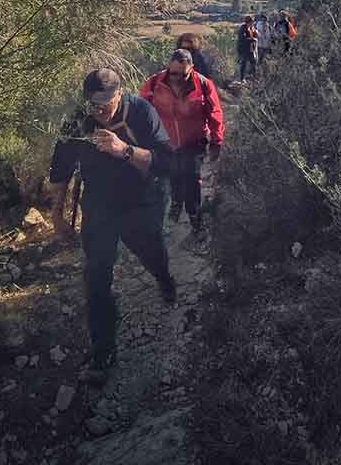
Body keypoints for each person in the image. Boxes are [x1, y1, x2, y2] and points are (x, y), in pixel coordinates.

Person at [49, 68, 176, 386]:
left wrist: (125, 151)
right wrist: (57, 214)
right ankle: (103, 351)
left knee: (151, 251)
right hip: (99, 206)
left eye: (106, 101)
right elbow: (61, 169)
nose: (100, 109)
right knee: (96, 276)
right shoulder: (79, 121)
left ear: (120, 93)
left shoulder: (141, 112)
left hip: (141, 201)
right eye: (94, 103)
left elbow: (165, 162)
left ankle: (164, 278)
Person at [140, 49, 224, 232]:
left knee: (192, 177)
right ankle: (177, 202)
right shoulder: (154, 84)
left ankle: (194, 215)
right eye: (173, 73)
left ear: (192, 68)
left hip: (194, 140)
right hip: (166, 141)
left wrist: (216, 141)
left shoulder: (203, 84)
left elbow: (215, 114)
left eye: (182, 74)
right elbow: (142, 111)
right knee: (174, 174)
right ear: (168, 68)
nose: (177, 78)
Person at [237, 14, 258, 81]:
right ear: (249, 21)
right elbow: (242, 38)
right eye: (252, 21)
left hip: (251, 48)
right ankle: (242, 78)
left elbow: (255, 36)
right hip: (244, 49)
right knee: (244, 64)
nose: (253, 23)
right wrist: (252, 39)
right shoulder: (243, 28)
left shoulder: (252, 28)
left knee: (253, 63)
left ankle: (254, 77)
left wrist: (255, 35)